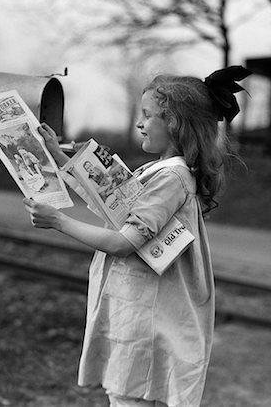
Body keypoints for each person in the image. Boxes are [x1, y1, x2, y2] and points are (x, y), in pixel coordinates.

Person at [23, 66, 251, 407]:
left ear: (174, 123)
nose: (139, 123)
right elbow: (109, 199)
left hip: (148, 323)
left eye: (148, 115)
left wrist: (58, 221)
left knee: (130, 396)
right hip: (139, 312)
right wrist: (58, 156)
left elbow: (122, 243)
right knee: (126, 393)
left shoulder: (170, 180)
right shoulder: (160, 170)